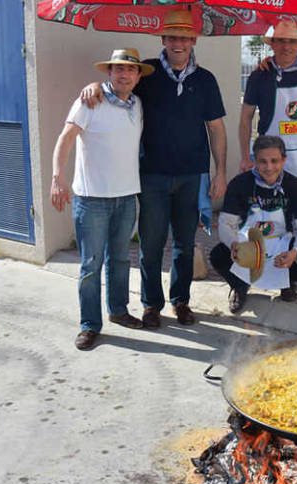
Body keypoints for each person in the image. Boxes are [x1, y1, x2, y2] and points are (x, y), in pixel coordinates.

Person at [82, 10, 227, 328]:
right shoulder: (145, 73)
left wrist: (220, 172)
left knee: (184, 245)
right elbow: (118, 87)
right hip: (152, 175)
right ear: (163, 40)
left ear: (193, 40)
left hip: (192, 176)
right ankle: (151, 305)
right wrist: (95, 85)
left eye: (184, 38)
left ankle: (181, 301)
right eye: (172, 37)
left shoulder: (205, 80)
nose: (178, 43)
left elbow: (216, 128)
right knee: (150, 244)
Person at [51, 48, 152, 350]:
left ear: (137, 77)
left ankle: (119, 311)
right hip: (92, 198)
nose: (124, 74)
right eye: (118, 69)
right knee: (91, 265)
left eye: (130, 70)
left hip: (125, 196)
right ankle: (90, 324)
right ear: (108, 73)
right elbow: (65, 138)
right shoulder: (88, 101)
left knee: (120, 259)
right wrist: (58, 178)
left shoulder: (137, 105)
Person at [210, 135, 297, 314]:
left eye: (274, 161)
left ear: (284, 160)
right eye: (263, 161)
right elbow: (226, 223)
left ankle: (286, 284)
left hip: (281, 245)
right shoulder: (239, 184)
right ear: (255, 160)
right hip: (247, 245)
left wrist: (294, 253)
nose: (269, 167)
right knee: (218, 255)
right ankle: (239, 287)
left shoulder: (296, 187)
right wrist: (234, 245)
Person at [239, 19, 297, 212]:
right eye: (281, 41)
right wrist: (246, 156)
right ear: (273, 44)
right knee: (271, 218)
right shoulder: (259, 76)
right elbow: (245, 119)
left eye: (292, 42)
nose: (287, 47)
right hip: (269, 162)